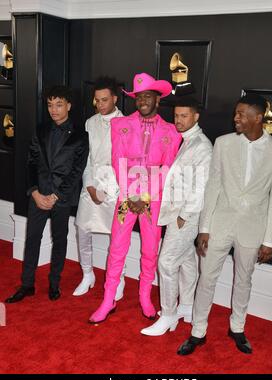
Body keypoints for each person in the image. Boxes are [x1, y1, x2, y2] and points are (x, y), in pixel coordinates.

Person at [177, 94, 272, 355]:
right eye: (235, 113)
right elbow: (213, 186)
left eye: (241, 114)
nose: (235, 118)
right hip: (220, 222)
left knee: (244, 280)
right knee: (206, 279)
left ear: (258, 117)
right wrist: (204, 227)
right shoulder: (223, 143)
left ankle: (237, 327)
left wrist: (269, 240)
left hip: (253, 227)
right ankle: (198, 331)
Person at [89, 72, 181, 323]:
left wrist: (147, 196)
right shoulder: (120, 126)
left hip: (154, 200)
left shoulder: (172, 132)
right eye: (139, 97)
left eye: (147, 96)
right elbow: (117, 162)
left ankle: (144, 296)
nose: (142, 101)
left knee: (150, 251)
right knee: (117, 249)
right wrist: (131, 195)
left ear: (157, 100)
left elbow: (168, 168)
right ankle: (108, 300)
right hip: (126, 199)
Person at [5, 86, 88, 303]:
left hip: (61, 198)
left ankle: (54, 284)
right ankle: (27, 285)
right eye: (50, 105)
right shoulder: (40, 130)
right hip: (38, 196)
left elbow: (77, 170)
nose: (53, 109)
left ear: (68, 106)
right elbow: (31, 163)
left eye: (58, 104)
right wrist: (34, 192)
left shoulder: (81, 135)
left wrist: (56, 196)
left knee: (59, 240)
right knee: (32, 240)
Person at [141, 97, 212, 336]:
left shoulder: (202, 145)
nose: (178, 120)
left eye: (184, 116)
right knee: (187, 261)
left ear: (196, 117)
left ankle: (169, 314)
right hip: (177, 212)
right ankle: (188, 307)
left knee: (167, 262)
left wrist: (184, 216)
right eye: (177, 115)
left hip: (186, 215)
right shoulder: (188, 140)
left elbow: (201, 186)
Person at [73, 76, 126, 298]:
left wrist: (113, 189)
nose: (100, 104)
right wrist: (90, 186)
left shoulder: (127, 124)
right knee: (82, 229)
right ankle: (88, 274)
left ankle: (118, 278)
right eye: (97, 100)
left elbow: (128, 163)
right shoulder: (90, 122)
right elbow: (87, 159)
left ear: (115, 98)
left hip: (117, 187)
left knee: (118, 235)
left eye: (104, 100)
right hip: (92, 181)